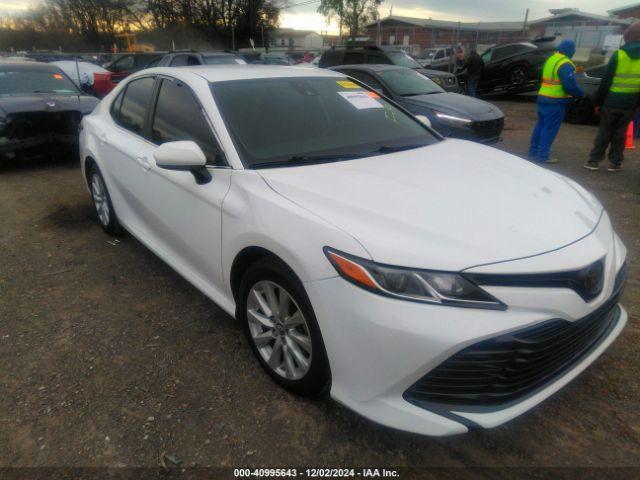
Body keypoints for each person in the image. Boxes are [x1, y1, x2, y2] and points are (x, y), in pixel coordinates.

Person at [584, 23, 640, 172]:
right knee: (620, 134)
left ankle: (593, 161)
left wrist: (598, 102)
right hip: (630, 103)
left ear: (627, 37)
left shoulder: (618, 55)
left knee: (605, 132)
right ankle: (615, 163)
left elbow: (606, 81)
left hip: (611, 102)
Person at [529, 39, 584, 164]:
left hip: (543, 97)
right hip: (555, 101)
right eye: (573, 49)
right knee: (549, 128)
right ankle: (544, 156)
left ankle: (533, 152)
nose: (574, 52)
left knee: (540, 126)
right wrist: (581, 94)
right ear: (570, 50)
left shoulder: (551, 59)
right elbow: (569, 86)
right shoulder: (565, 63)